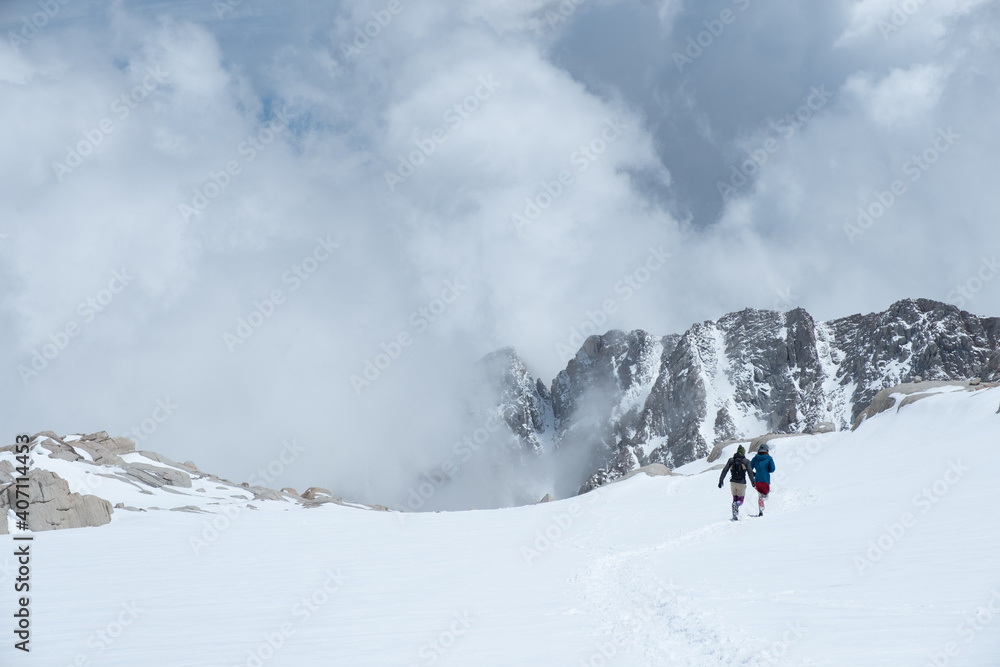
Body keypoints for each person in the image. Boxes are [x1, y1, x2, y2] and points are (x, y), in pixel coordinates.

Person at [718, 445, 755, 520]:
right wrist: (753, 483)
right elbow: (750, 473)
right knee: (740, 500)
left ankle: (735, 515)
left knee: (734, 499)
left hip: (733, 483)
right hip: (741, 483)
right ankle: (737, 506)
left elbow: (724, 470)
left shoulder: (731, 460)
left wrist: (721, 481)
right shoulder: (746, 461)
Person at [751, 443, 776, 516]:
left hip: (757, 480)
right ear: (766, 450)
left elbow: (750, 467)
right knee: (766, 496)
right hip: (765, 480)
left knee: (759, 496)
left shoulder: (755, 458)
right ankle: (763, 500)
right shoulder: (769, 458)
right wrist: (766, 470)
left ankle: (760, 512)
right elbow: (772, 469)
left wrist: (754, 474)